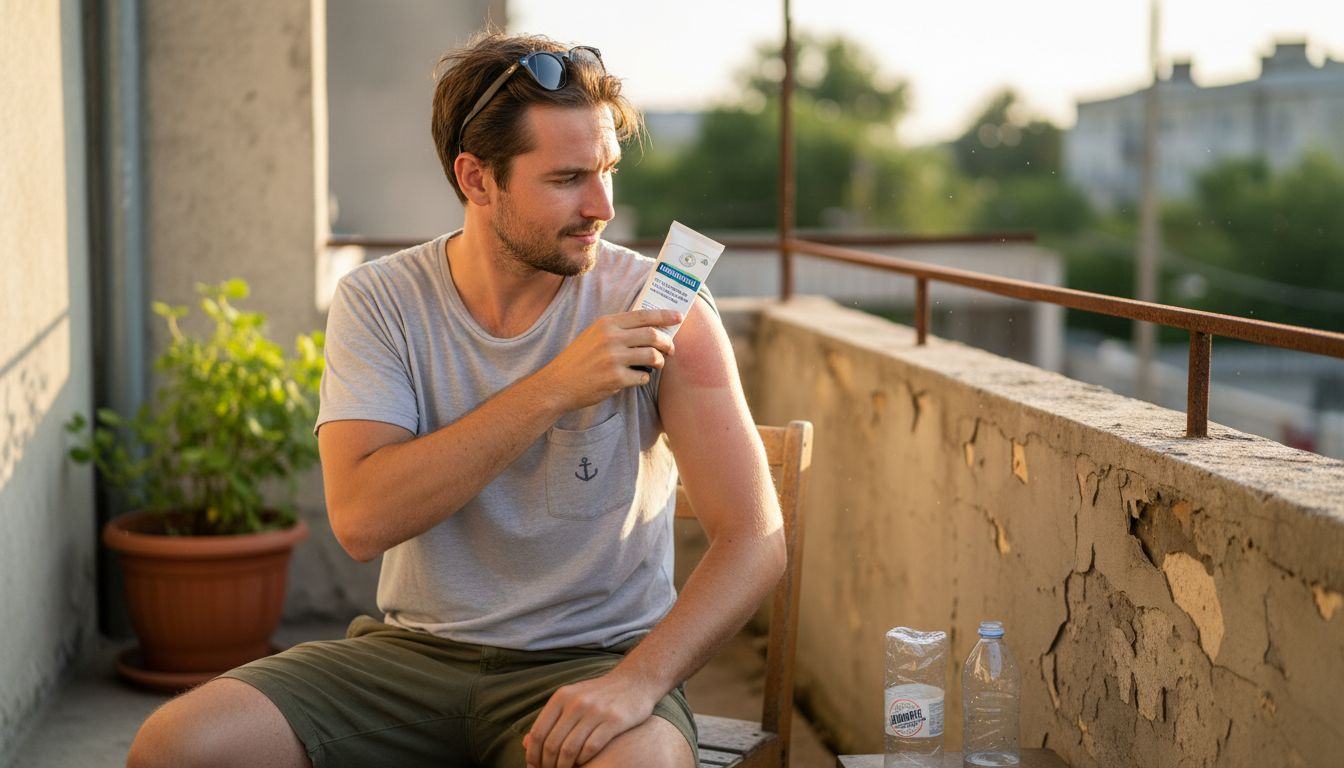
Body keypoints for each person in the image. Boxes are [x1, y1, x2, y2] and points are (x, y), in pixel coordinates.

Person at [126, 31, 785, 768]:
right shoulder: (382, 302)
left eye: (608, 170)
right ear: (476, 179)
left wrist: (639, 682)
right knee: (177, 747)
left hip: (595, 663)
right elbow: (363, 519)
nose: (602, 204)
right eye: (568, 178)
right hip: (409, 661)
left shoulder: (661, 310)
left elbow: (755, 539)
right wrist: (556, 387)